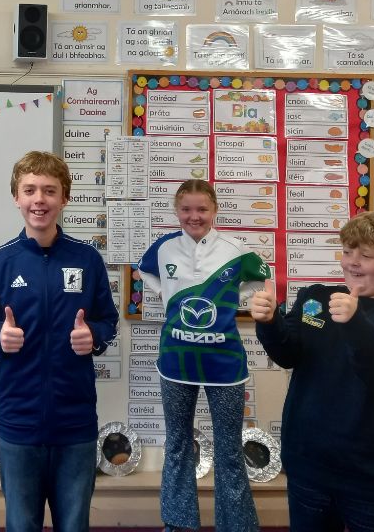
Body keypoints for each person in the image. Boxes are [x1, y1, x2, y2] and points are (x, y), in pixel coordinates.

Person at [251, 210, 374, 532]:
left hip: (373, 479)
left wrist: (355, 324)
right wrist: (270, 322)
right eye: (348, 251)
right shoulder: (315, 299)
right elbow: (287, 354)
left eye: (366, 255)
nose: (352, 262)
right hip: (308, 468)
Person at [0, 151, 118, 532]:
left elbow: (108, 321)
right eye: (30, 190)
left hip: (76, 424)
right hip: (19, 423)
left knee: (74, 525)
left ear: (64, 198)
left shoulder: (87, 259)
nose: (40, 199)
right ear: (16, 197)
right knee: (22, 525)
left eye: (50, 191)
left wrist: (94, 336)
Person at [134, 179, 266, 532]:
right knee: (178, 444)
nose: (194, 216)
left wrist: (236, 299)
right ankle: (178, 525)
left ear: (214, 210)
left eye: (202, 209)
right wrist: (166, 294)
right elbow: (145, 271)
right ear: (177, 211)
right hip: (175, 362)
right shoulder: (163, 248)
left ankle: (236, 527)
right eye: (186, 209)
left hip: (226, 364)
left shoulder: (236, 250)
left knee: (229, 449)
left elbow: (260, 281)